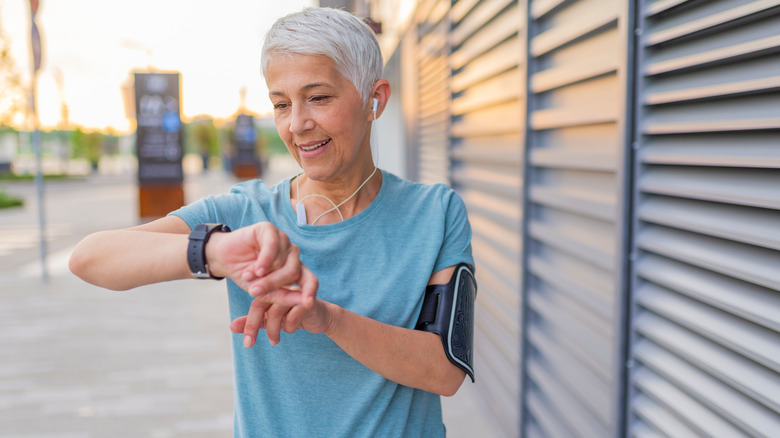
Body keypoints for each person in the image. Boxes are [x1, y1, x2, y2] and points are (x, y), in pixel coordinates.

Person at [69, 7, 475, 437]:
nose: (297, 124)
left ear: (376, 98)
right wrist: (216, 250)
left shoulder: (435, 212)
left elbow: (444, 371)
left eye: (318, 98)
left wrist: (327, 318)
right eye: (281, 104)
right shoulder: (243, 214)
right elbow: (89, 258)